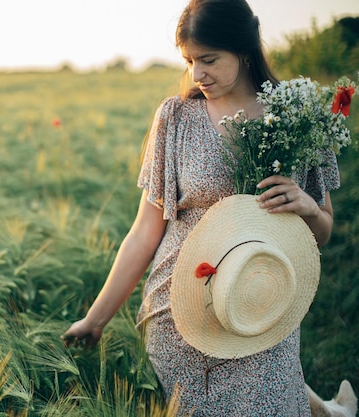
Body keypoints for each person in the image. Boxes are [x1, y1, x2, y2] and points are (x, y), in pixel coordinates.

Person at [61, 0, 340, 415]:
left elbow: (323, 231)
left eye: (208, 59)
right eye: (189, 60)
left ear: (244, 50)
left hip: (262, 302)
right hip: (182, 311)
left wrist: (308, 210)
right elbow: (144, 232)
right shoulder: (176, 118)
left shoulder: (296, 115)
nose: (197, 74)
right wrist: (96, 319)